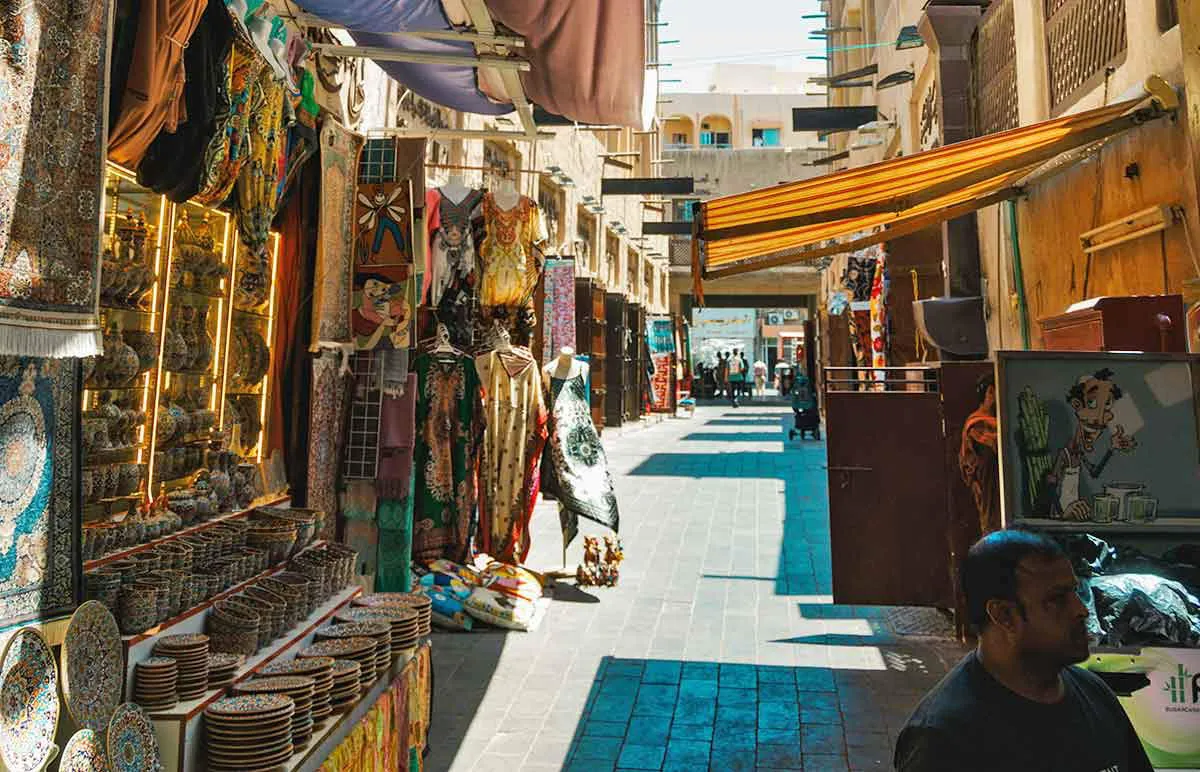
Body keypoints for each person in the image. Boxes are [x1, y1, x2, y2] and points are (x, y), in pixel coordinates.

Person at [894, 530, 1153, 772]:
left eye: (1075, 592)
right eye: (1056, 599)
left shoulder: (1095, 695)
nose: (1080, 610)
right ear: (1003, 615)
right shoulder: (943, 739)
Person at [960, 373, 1000, 537]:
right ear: (990, 392)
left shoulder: (992, 419)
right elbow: (998, 442)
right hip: (988, 486)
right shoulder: (978, 423)